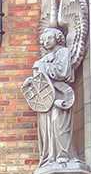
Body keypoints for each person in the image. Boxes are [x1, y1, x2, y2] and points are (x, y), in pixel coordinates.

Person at [31, 27, 76, 166]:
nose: (46, 42)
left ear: (58, 38)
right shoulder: (45, 58)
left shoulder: (63, 52)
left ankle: (63, 154)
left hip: (60, 94)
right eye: (44, 40)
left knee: (59, 124)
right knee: (47, 128)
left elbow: (62, 72)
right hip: (46, 98)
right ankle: (50, 156)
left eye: (49, 38)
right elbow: (38, 79)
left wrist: (42, 67)